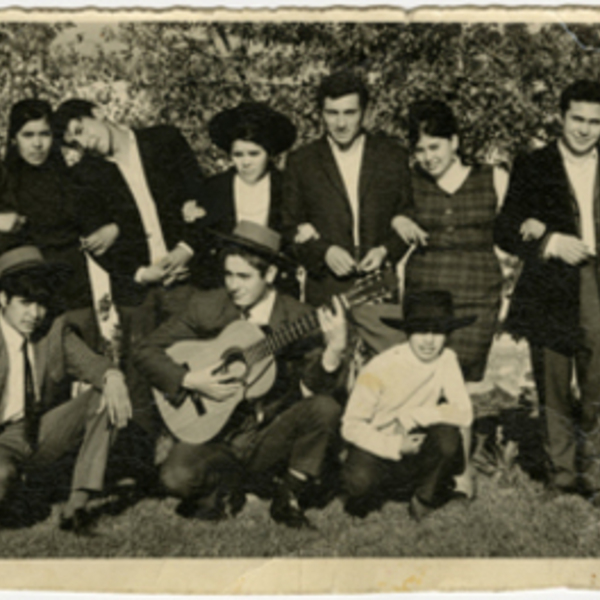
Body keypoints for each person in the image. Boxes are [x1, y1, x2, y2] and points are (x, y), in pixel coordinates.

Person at [134, 221, 347, 528]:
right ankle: (227, 486)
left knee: (326, 409)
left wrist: (335, 351)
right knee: (174, 478)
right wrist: (189, 379)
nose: (233, 285)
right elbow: (145, 350)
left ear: (270, 275)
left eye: (244, 276)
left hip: (268, 435)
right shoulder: (208, 305)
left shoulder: (299, 317)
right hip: (214, 433)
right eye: (228, 275)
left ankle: (287, 495)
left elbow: (313, 391)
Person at [52, 99, 205, 435]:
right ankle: (140, 461)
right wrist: (139, 273)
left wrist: (186, 249)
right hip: (137, 289)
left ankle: (195, 438)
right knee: (140, 372)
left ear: (99, 113)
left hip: (184, 278)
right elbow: (97, 245)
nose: (85, 142)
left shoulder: (163, 141)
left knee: (194, 357)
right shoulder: (86, 175)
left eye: (81, 130)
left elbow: (200, 196)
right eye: (74, 142)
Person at [495, 79, 600, 504]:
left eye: (595, 121)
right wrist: (549, 242)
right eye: (577, 118)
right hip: (552, 285)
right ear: (561, 117)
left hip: (598, 282)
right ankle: (562, 476)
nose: (585, 129)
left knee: (597, 381)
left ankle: (594, 470)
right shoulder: (534, 164)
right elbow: (505, 229)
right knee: (553, 381)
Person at [0, 245, 131, 533]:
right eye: (25, 303)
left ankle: (77, 505)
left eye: (41, 304)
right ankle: (16, 491)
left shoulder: (54, 329)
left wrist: (113, 376)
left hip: (39, 432)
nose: (35, 314)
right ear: (3, 298)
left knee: (104, 394)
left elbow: (92, 363)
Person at [393, 100, 504, 383]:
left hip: (477, 294)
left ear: (453, 142)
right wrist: (398, 220)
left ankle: (458, 427)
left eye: (434, 147)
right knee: (424, 378)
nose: (428, 157)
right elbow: (387, 216)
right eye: (420, 150)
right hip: (426, 295)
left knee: (461, 374)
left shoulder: (493, 178)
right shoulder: (407, 181)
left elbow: (515, 227)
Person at [281, 69, 413, 308]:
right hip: (326, 290)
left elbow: (408, 214)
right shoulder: (301, 161)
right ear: (321, 113)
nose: (341, 123)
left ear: (365, 112)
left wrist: (385, 251)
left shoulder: (392, 157)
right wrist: (324, 252)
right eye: (332, 113)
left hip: (380, 286)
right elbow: (288, 227)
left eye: (350, 113)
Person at [341, 290, 474, 521]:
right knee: (358, 483)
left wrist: (413, 416)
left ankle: (423, 498)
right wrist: (394, 445)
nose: (430, 341)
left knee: (448, 435)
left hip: (415, 444)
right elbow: (350, 426)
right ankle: (373, 492)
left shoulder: (447, 359)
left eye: (438, 331)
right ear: (407, 332)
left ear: (448, 334)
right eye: (421, 331)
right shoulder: (380, 367)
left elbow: (464, 412)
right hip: (378, 445)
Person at [1, 99, 109, 349]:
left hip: (76, 293)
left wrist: (111, 228)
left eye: (44, 134)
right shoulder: (4, 178)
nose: (37, 144)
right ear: (14, 138)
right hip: (27, 303)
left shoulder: (69, 178)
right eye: (28, 135)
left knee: (90, 372)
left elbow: (102, 217)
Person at [187, 102, 298, 295]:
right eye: (238, 154)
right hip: (224, 288)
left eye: (254, 154)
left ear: (270, 154)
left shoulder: (287, 186)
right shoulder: (214, 189)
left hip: (275, 287)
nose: (246, 162)